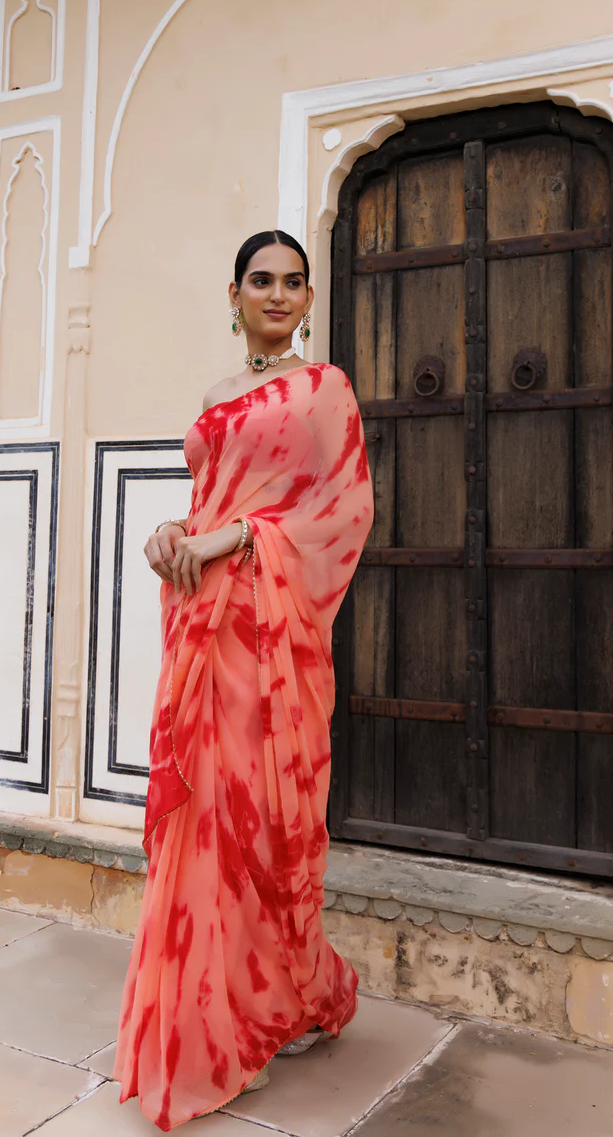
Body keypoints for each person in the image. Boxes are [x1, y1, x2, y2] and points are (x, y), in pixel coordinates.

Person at [114, 231, 374, 1130]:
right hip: (202, 626)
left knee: (263, 819)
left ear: (307, 298)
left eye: (292, 282)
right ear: (234, 293)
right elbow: (209, 504)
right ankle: (218, 1021)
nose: (276, 293)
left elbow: (339, 511)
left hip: (268, 628)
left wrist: (232, 539)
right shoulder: (216, 395)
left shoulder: (325, 389)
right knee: (208, 819)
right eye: (260, 280)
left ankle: (284, 998)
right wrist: (171, 533)